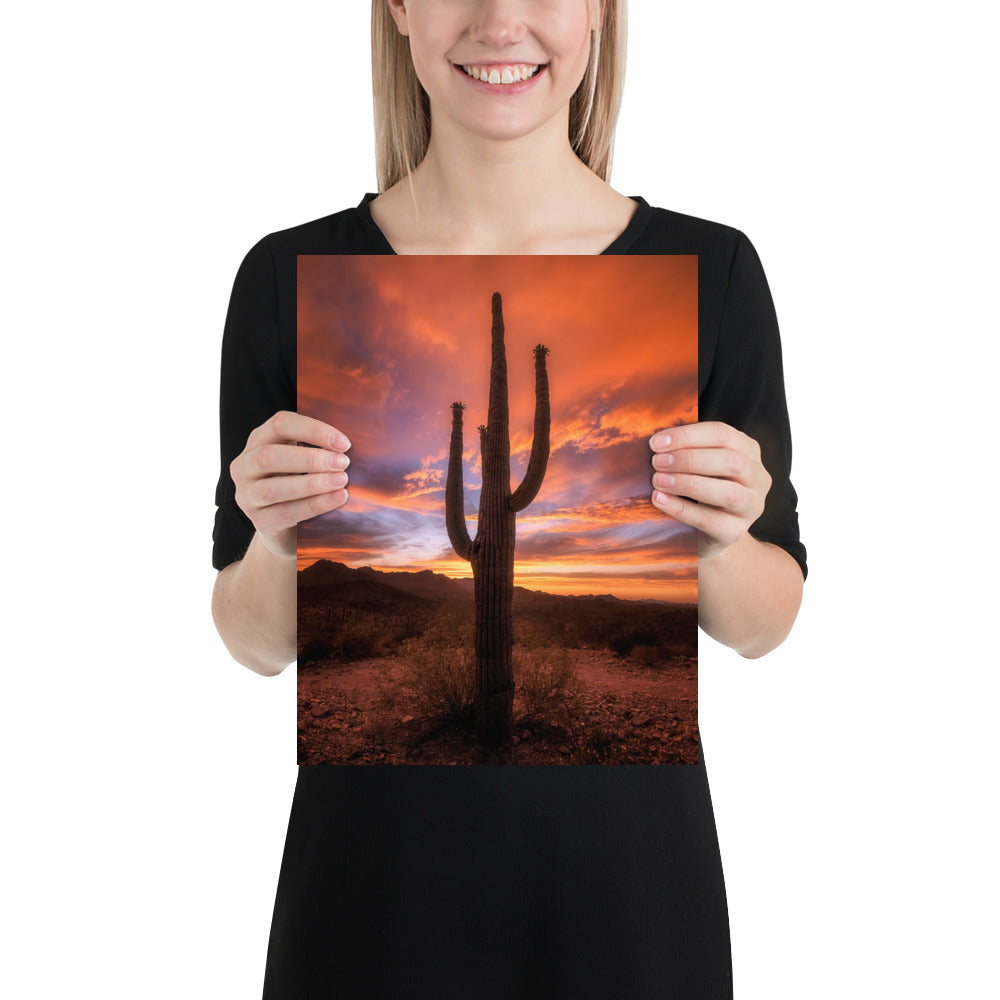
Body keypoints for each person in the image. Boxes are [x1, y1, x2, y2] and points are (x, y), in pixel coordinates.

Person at [211, 1, 807, 996]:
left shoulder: (716, 272)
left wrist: (725, 533)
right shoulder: (285, 278)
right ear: (399, 9)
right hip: (370, 914)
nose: (500, 19)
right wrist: (276, 542)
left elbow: (765, 622)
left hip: (629, 915)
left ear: (599, 14)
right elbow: (253, 640)